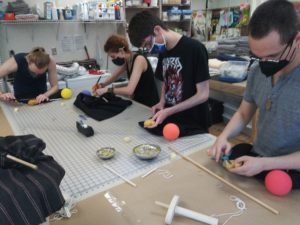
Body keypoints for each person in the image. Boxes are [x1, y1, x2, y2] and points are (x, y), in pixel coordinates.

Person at [209, 0, 300, 188]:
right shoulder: (257, 71)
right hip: (258, 157)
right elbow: (243, 113)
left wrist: (266, 164)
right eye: (258, 56)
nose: (264, 62)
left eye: (273, 56)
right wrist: (224, 136)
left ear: (297, 40)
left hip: (291, 171)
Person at [127, 11, 210, 134]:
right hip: (172, 118)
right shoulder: (163, 51)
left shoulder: (195, 49)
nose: (149, 49)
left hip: (193, 122)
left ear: (157, 30)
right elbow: (166, 81)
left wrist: (169, 111)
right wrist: (162, 102)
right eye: (146, 47)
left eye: (148, 44)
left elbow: (203, 94)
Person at [93, 34, 159, 107]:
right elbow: (114, 76)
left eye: (113, 56)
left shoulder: (139, 60)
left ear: (121, 51)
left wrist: (107, 90)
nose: (113, 59)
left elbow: (129, 90)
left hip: (149, 105)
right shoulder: (128, 61)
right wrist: (102, 85)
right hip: (139, 102)